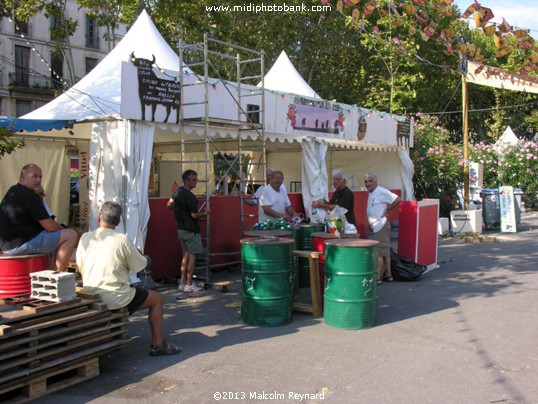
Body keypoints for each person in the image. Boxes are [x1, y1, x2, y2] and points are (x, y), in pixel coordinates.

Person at [76, 201, 180, 356]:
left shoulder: (86, 237)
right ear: (118, 221)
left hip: (90, 291)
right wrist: (140, 254)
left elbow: (79, 267)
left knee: (132, 291)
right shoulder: (121, 239)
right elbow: (142, 265)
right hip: (115, 296)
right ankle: (158, 344)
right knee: (157, 299)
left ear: (99, 217)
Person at [0, 164, 77, 271]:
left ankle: (50, 270)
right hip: (20, 244)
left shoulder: (13, 190)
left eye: (40, 177)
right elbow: (50, 226)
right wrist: (62, 227)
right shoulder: (30, 196)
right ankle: (56, 275)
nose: (38, 180)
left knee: (56, 237)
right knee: (71, 234)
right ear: (23, 177)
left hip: (7, 245)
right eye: (34, 176)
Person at [167, 169, 209, 293]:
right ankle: (189, 284)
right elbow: (194, 215)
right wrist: (205, 212)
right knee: (192, 257)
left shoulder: (177, 191)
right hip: (191, 229)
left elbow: (169, 205)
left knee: (185, 256)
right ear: (187, 181)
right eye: (194, 180)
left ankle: (182, 282)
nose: (196, 182)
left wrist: (179, 211)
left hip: (181, 228)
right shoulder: (190, 197)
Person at [364, 172, 401, 285]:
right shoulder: (372, 192)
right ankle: (388, 275)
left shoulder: (380, 191)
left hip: (381, 225)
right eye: (366, 181)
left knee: (380, 252)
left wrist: (389, 209)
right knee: (385, 251)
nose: (368, 183)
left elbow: (398, 199)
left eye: (370, 181)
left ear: (375, 181)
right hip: (377, 226)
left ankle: (378, 277)